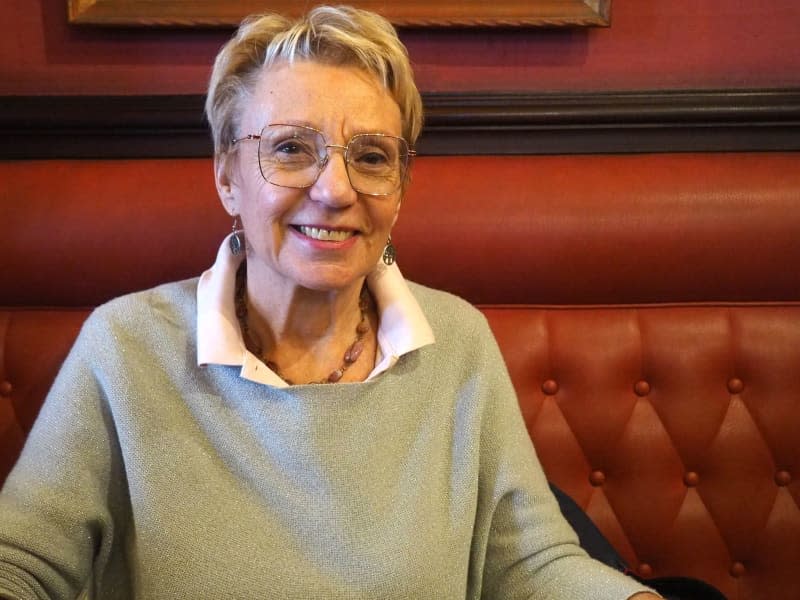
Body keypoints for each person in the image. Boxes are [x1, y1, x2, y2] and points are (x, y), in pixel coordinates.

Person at [0, 6, 661, 599]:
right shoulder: (125, 347)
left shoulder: (456, 342)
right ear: (227, 175)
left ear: (398, 189)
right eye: (291, 148)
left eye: (371, 157)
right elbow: (21, 563)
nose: (335, 189)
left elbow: (529, 565)